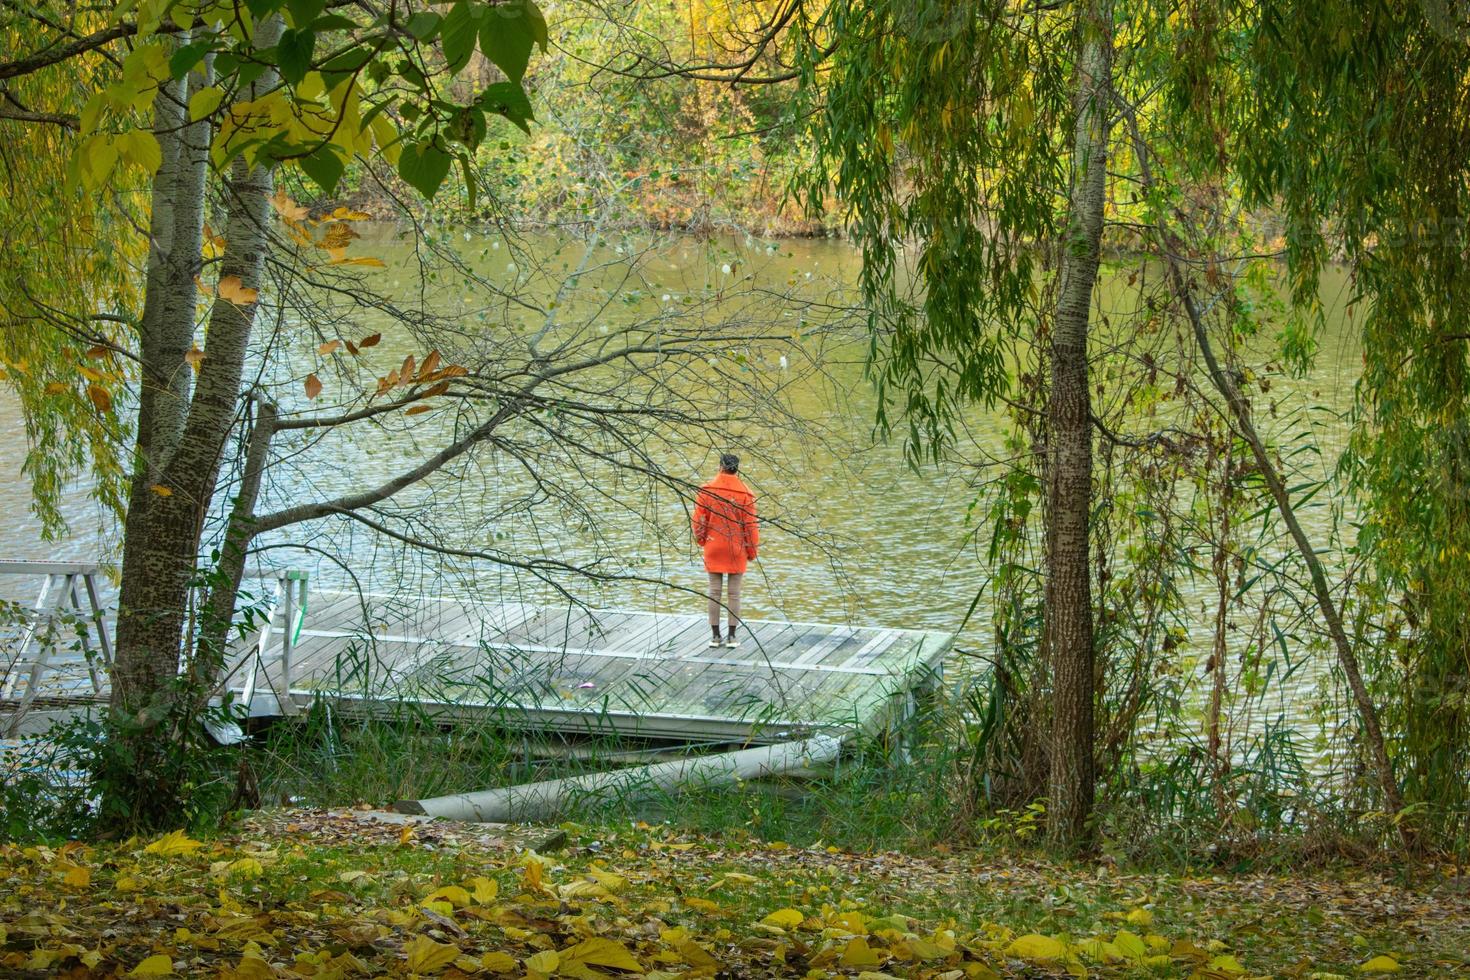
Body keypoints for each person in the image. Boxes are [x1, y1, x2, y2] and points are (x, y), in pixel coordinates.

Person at [691, 452, 758, 648]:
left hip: (714, 545)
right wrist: (752, 551)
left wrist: (702, 540)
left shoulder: (707, 490)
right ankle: (732, 636)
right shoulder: (746, 494)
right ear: (737, 468)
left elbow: (698, 520)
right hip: (736, 548)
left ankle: (715, 636)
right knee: (734, 594)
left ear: (720, 466)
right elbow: (751, 527)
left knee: (714, 592)